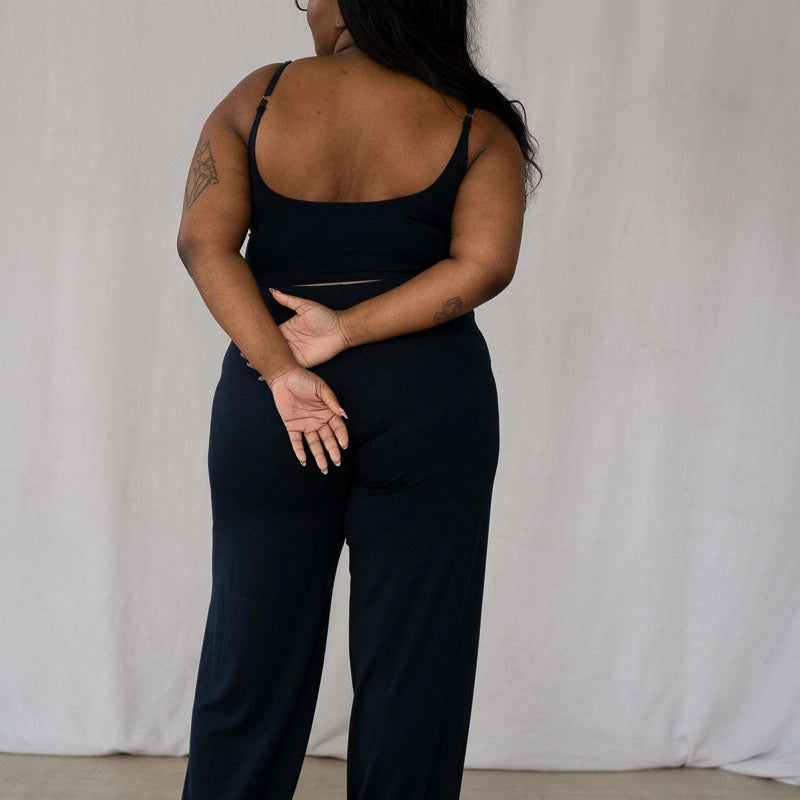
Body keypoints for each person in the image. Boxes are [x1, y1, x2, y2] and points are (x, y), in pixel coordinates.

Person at [175, 1, 541, 798]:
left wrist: (281, 369)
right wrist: (347, 327)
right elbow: (485, 265)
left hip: (275, 407)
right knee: (417, 668)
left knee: (250, 659)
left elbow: (203, 241)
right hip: (430, 401)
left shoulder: (258, 97)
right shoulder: (475, 122)